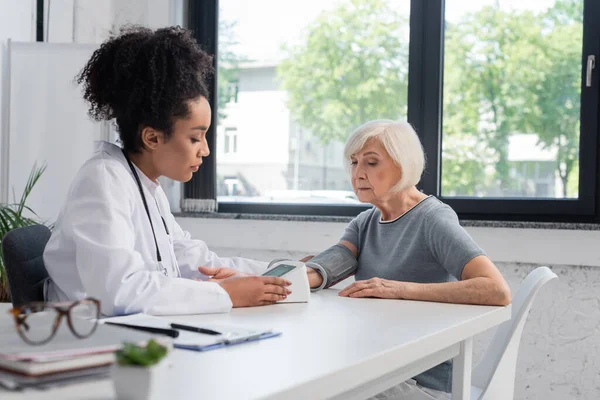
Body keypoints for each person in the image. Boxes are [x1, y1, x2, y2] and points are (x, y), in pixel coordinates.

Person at [43, 26, 291, 317]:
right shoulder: (103, 181)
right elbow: (120, 291)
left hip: (131, 333)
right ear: (152, 138)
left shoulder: (146, 186)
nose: (205, 150)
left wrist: (277, 273)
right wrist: (225, 293)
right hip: (86, 339)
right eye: (195, 138)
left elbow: (193, 259)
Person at [302, 119, 512, 399]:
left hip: (421, 382)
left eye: (371, 163)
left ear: (402, 165)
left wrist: (400, 289)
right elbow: (339, 258)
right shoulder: (365, 222)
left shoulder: (432, 219)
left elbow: (496, 290)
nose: (358, 174)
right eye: (354, 163)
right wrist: (288, 278)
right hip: (379, 368)